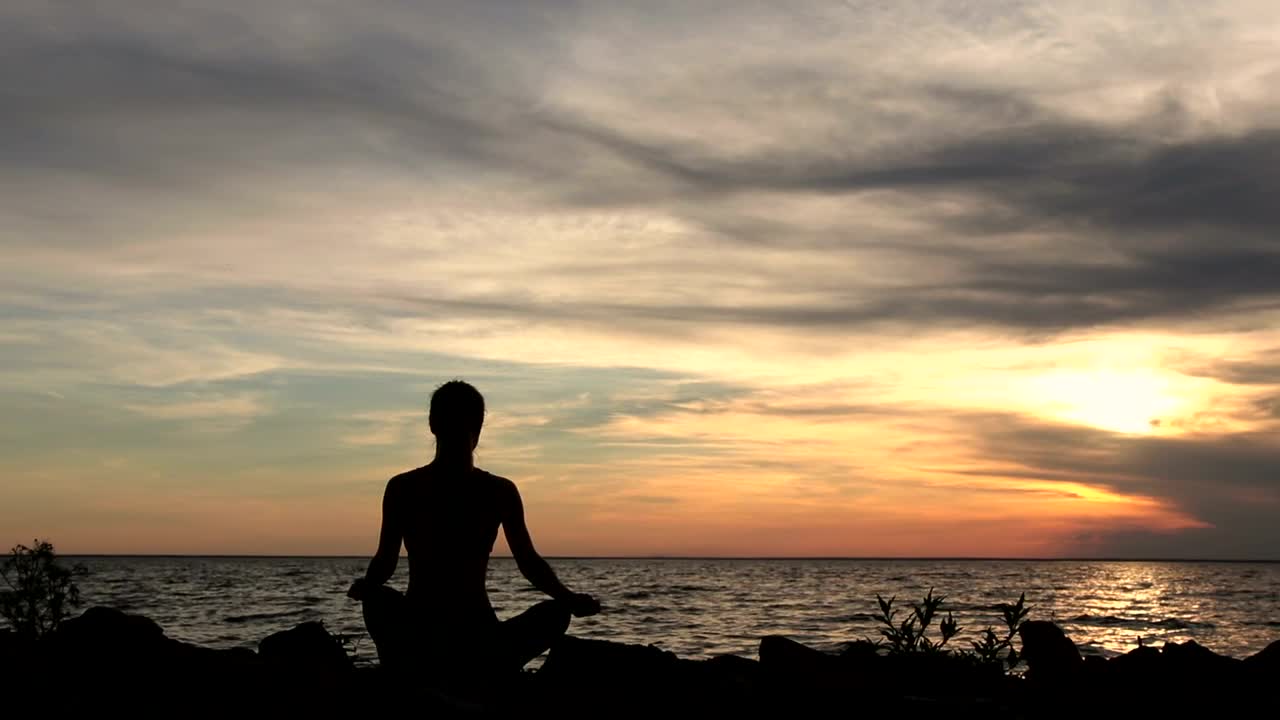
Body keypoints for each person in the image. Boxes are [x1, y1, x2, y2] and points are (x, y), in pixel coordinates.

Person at [347, 380, 599, 679]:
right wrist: (569, 598)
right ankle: (468, 667)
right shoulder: (485, 490)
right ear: (478, 427)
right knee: (378, 599)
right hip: (463, 633)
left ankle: (415, 667)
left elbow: (385, 563)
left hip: (455, 631)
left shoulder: (409, 487)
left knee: (556, 612)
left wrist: (368, 584)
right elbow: (529, 563)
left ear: (432, 424)